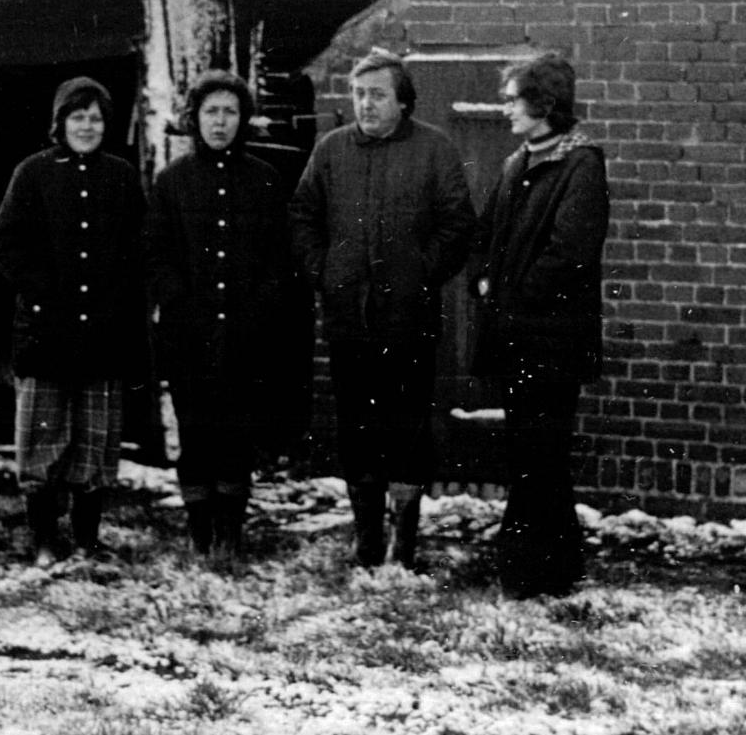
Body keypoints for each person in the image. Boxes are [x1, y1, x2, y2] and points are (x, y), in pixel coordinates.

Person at [289, 47, 476, 567]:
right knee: (356, 428)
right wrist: (324, 271)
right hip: (348, 318)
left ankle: (404, 542)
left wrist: (420, 272)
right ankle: (367, 536)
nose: (365, 105)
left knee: (406, 427)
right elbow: (303, 217)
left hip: (409, 320)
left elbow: (459, 224)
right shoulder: (331, 151)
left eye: (377, 95)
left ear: (402, 101)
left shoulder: (434, 150)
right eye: (358, 95)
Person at [0, 76, 146, 565]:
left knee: (94, 442)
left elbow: (138, 248)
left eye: (95, 118)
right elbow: (6, 241)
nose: (86, 126)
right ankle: (42, 538)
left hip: (102, 333)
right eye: (77, 117)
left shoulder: (121, 176)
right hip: (45, 331)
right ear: (60, 123)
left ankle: (87, 538)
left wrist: (117, 302)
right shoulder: (32, 173)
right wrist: (41, 293)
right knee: (42, 439)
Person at [470, 53, 609, 597]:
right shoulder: (516, 163)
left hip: (552, 342)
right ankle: (548, 568)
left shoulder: (581, 166)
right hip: (516, 336)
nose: (506, 108)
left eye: (514, 98)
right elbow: (487, 236)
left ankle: (531, 571)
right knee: (530, 452)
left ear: (545, 103)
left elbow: (569, 254)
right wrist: (483, 278)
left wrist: (509, 295)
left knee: (541, 453)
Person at [144, 70, 297, 559]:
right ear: (195, 119)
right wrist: (181, 304)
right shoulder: (172, 182)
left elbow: (280, 258)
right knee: (196, 431)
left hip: (247, 334)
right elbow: (157, 254)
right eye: (211, 111)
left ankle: (230, 532)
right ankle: (199, 530)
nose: (220, 121)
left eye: (230, 112)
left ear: (244, 120)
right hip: (189, 334)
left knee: (237, 431)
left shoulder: (265, 180)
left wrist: (259, 308)